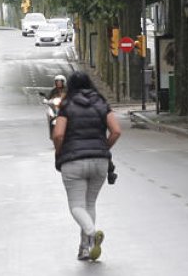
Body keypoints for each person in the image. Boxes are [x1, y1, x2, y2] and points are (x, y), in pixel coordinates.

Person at [51, 71, 122, 262]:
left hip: (73, 162)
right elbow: (116, 131)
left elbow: (58, 135)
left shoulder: (66, 105)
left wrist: (59, 152)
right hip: (100, 161)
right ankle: (85, 248)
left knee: (76, 206)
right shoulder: (100, 102)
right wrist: (102, 148)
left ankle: (91, 233)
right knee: (89, 204)